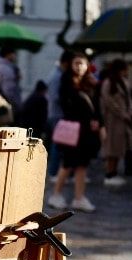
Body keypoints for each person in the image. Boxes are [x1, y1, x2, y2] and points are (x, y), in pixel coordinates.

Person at [47, 51, 101, 213]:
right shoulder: (66, 81)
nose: (79, 67)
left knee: (82, 165)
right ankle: (56, 194)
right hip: (73, 129)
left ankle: (79, 197)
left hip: (86, 131)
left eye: (82, 63)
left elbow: (96, 106)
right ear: (71, 65)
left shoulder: (89, 83)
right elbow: (68, 105)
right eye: (76, 63)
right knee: (68, 163)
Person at [99, 59, 132, 188]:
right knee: (112, 147)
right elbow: (109, 102)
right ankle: (109, 173)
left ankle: (113, 172)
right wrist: (123, 113)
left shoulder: (124, 82)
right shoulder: (108, 83)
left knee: (119, 147)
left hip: (123, 120)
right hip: (112, 120)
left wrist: (130, 112)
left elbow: (129, 100)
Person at [46, 50, 74, 178]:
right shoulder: (57, 76)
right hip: (57, 114)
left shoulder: (57, 74)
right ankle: (53, 172)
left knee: (59, 144)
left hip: (56, 113)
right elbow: (55, 96)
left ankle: (55, 171)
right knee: (58, 144)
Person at [0, 46, 21, 113]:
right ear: (9, 54)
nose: (15, 56)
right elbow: (8, 90)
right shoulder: (8, 70)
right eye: (14, 54)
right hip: (7, 104)